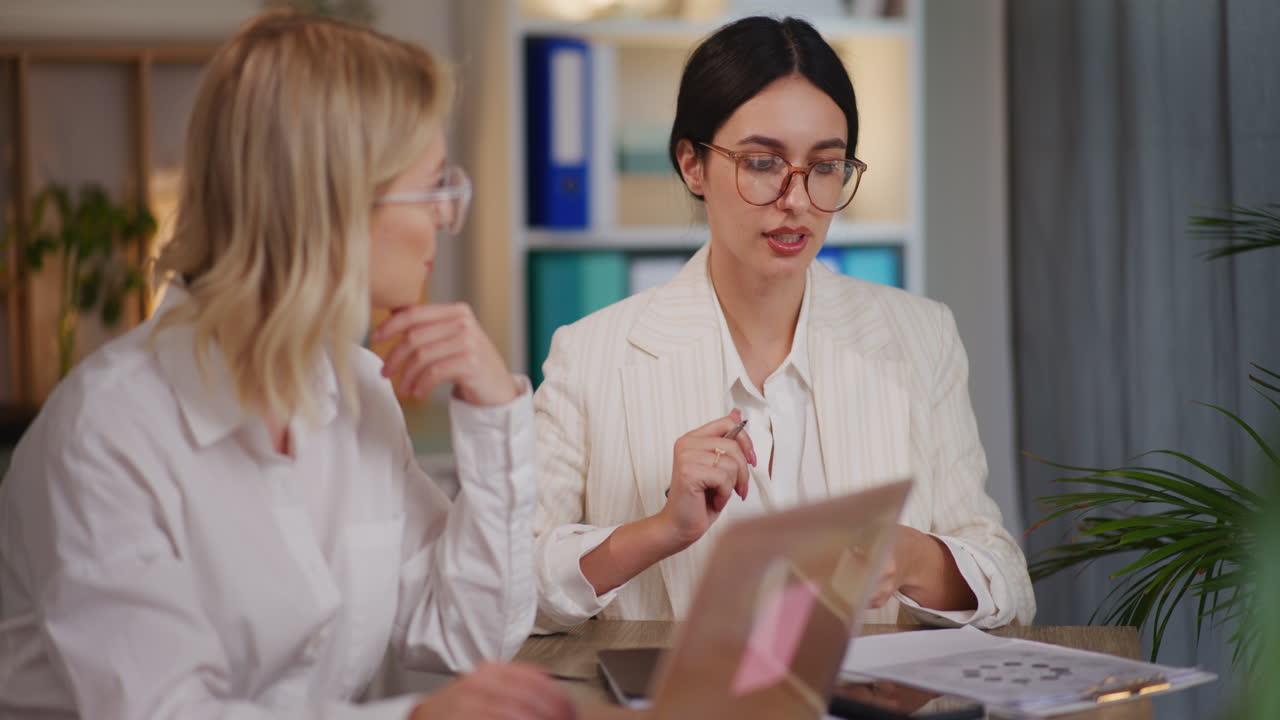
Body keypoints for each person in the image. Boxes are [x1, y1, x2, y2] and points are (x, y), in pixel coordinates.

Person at [0, 12, 573, 720]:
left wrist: (495, 413)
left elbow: (468, 631)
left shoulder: (358, 392)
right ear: (334, 204)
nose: (446, 217)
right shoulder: (108, 431)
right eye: (432, 188)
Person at [533, 16, 1036, 631]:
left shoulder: (921, 336)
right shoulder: (591, 355)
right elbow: (509, 594)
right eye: (762, 162)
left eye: (825, 166)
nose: (796, 199)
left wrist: (911, 557)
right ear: (692, 165)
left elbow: (1009, 582)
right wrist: (658, 531)